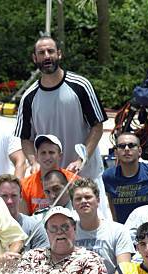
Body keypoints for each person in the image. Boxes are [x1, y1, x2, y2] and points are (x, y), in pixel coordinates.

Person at [15, 36, 109, 214]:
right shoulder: (28, 97)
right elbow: (25, 138)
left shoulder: (81, 86)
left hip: (85, 177)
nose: (47, 56)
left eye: (51, 51)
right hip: (51, 185)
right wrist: (34, 162)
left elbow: (97, 126)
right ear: (35, 58)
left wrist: (82, 159)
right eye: (41, 53)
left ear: (59, 54)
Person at [103, 132, 148, 223]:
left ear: (139, 151)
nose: (126, 149)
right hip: (125, 233)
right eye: (122, 146)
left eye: (131, 145)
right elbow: (111, 199)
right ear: (116, 152)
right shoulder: (109, 176)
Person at [72, 177, 134, 274]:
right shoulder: (68, 233)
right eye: (78, 199)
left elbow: (125, 272)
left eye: (88, 197)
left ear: (98, 201)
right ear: (73, 205)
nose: (83, 201)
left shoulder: (118, 231)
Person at [20, 134, 76, 215]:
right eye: (43, 153)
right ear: (37, 156)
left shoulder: (74, 180)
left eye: (51, 152)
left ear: (60, 155)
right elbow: (24, 219)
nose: (47, 157)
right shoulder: (25, 185)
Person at [0, 174, 49, 250]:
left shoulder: (34, 228)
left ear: (21, 197)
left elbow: (43, 258)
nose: (9, 201)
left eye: (14, 195)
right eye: (4, 196)